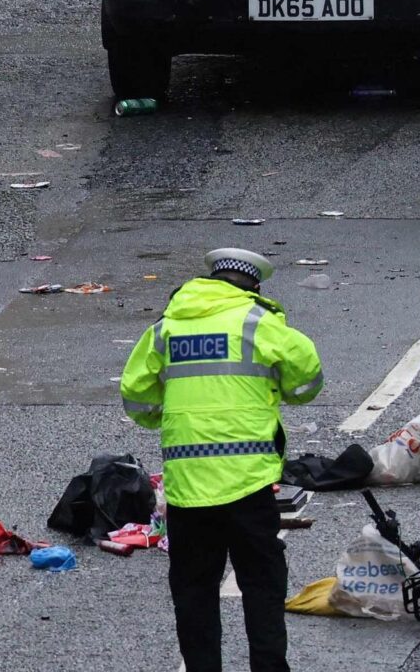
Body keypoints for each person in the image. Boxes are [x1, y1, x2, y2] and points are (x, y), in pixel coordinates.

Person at [118, 248, 322, 672]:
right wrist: (271, 390)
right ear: (254, 287)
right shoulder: (260, 322)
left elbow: (136, 397)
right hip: (250, 483)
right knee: (262, 586)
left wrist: (170, 415)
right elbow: (308, 382)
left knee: (194, 591)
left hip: (189, 486)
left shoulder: (166, 327)